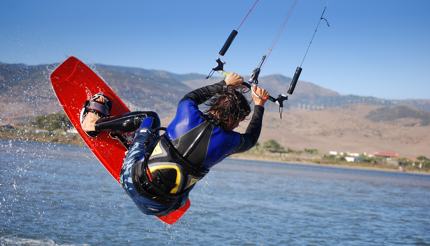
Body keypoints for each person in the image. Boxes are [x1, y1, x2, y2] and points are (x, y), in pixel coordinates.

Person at [80, 73, 269, 216]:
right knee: (188, 169)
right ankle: (138, 148)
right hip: (165, 208)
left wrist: (224, 84)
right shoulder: (230, 142)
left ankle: (94, 125)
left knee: (151, 119)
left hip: (131, 181)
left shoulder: (188, 111)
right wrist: (259, 105)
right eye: (238, 121)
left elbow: (193, 97)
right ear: (231, 118)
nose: (237, 126)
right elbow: (251, 138)